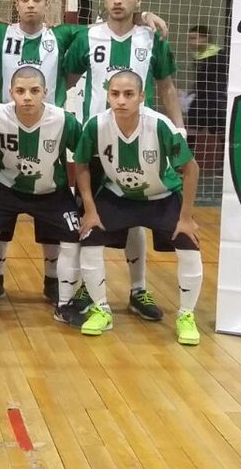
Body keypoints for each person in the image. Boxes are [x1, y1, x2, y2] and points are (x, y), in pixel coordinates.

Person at [61, 0, 184, 323]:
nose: (118, 0)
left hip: (141, 140)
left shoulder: (151, 36)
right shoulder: (87, 37)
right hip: (96, 142)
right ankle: (88, 286)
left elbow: (167, 88)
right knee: (91, 218)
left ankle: (137, 290)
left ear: (137, 0)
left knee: (135, 220)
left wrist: (179, 132)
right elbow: (67, 81)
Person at [74, 70, 202, 345]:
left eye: (128, 94)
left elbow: (191, 170)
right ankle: (101, 309)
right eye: (115, 94)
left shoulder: (160, 125)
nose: (121, 100)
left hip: (162, 196)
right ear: (107, 95)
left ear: (142, 97)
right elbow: (82, 165)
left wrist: (187, 217)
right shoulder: (96, 125)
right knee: (89, 238)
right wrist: (91, 209)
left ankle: (186, 316)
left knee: (189, 245)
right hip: (118, 195)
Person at [0, 66, 83, 327]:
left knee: (72, 242)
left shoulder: (64, 120)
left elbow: (85, 154)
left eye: (34, 91)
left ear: (46, 92)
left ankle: (64, 303)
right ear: (10, 93)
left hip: (52, 190)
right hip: (5, 188)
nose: (27, 97)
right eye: (20, 91)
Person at [186, 25, 229, 134]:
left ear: (205, 38)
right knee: (190, 131)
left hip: (216, 101)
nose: (191, 42)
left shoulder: (220, 55)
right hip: (200, 100)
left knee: (220, 134)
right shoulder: (198, 57)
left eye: (194, 38)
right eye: (190, 39)